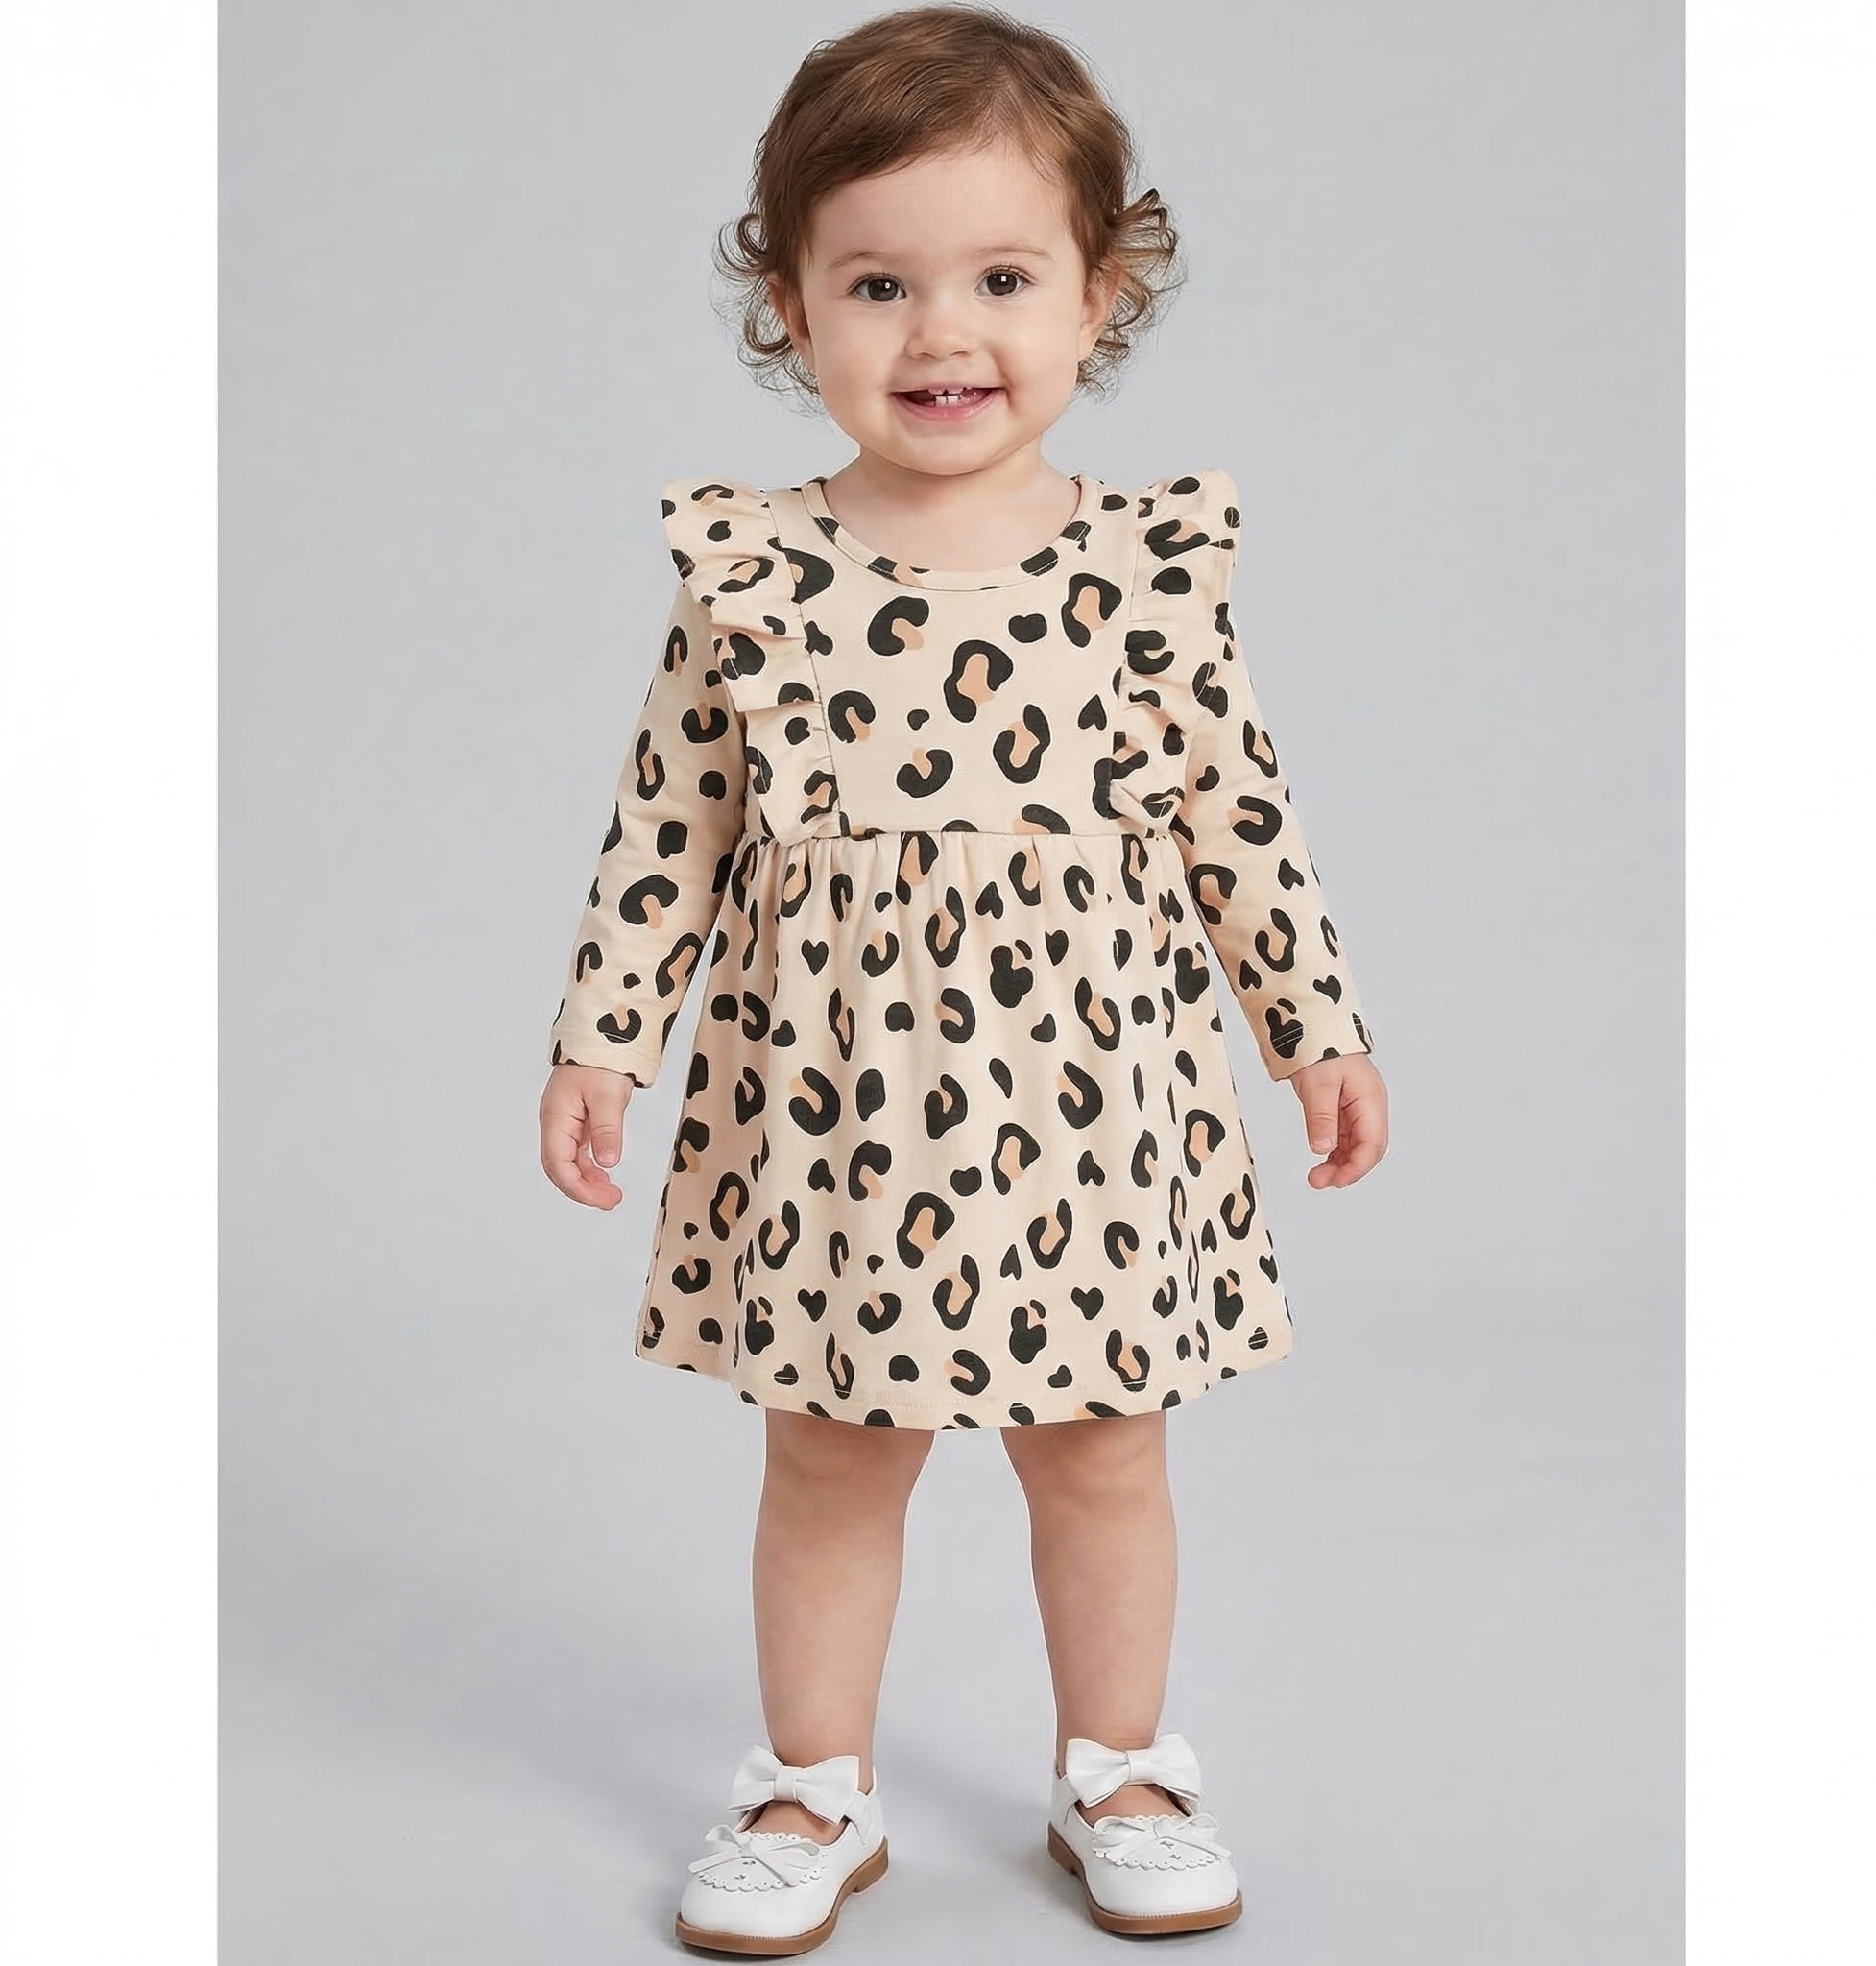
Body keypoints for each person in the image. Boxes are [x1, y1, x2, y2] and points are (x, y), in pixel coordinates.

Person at [538, 4, 1391, 1952]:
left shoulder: (1147, 572)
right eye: (878, 284)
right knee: (833, 1457)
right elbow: (670, 828)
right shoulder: (753, 574)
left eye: (1002, 279)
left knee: (1100, 1451)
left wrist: (1314, 1026)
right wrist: (602, 1042)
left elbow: (1238, 815)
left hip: (1093, 1118)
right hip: (835, 1123)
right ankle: (808, 1785)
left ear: (1100, 293)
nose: (942, 334)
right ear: (790, 304)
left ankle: (1124, 1765)